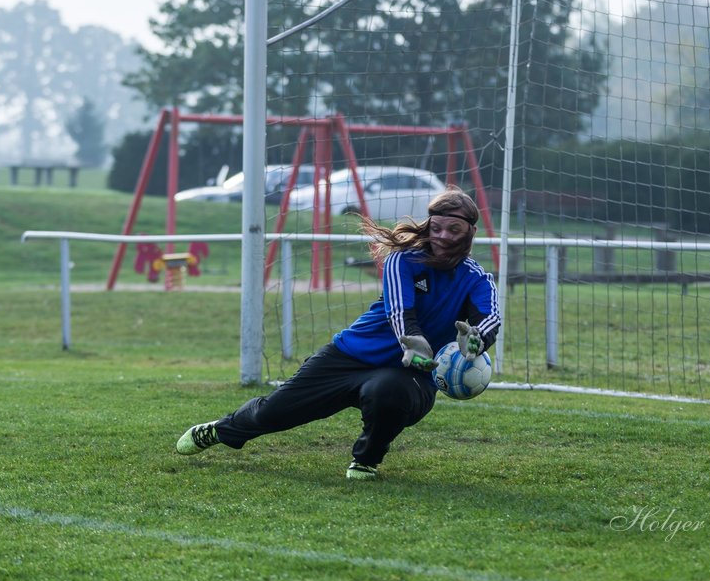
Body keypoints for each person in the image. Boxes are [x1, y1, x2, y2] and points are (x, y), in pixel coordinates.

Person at [175, 187, 501, 480]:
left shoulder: (477, 279)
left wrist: (476, 341)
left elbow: (488, 318)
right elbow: (400, 310)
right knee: (273, 413)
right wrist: (412, 342)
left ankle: (366, 461)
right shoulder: (403, 259)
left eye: (454, 230)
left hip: (410, 374)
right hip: (349, 357)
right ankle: (221, 430)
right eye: (437, 228)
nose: (443, 236)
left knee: (388, 392)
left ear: (470, 232)